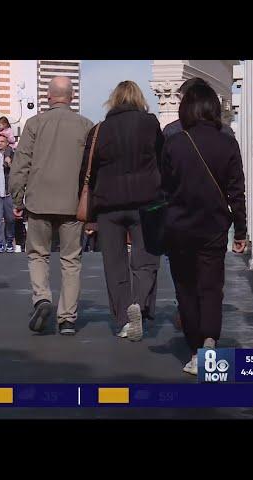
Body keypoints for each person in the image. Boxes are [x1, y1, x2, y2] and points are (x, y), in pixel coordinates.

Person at [160, 82, 247, 375]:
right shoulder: (228, 143)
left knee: (186, 288)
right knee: (211, 287)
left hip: (180, 227)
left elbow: (165, 189)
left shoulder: (174, 143)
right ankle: (210, 340)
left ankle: (197, 349)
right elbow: (236, 192)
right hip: (214, 227)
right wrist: (242, 231)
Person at [10, 76, 94, 336]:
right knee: (71, 260)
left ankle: (42, 299)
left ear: (49, 97)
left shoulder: (35, 124)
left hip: (39, 201)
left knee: (38, 254)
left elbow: (21, 162)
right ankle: (67, 318)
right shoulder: (86, 125)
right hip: (72, 204)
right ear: (71, 97)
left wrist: (17, 198)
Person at [83, 80, 164, 342]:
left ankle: (123, 318)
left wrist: (91, 214)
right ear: (139, 99)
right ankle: (139, 304)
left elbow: (88, 171)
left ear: (113, 101)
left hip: (109, 206)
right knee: (146, 258)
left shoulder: (99, 131)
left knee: (114, 263)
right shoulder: (150, 124)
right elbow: (163, 160)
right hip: (146, 203)